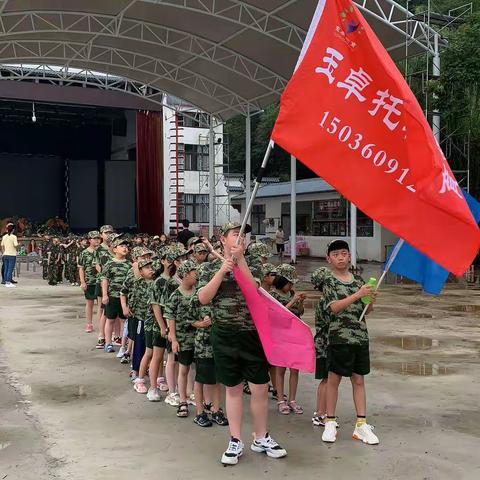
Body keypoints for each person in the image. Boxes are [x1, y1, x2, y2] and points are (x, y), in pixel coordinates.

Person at [197, 221, 287, 466]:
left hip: (252, 335)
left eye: (244, 236)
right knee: (233, 389)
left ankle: (262, 436)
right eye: (236, 235)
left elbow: (254, 288)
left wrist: (240, 262)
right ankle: (235, 439)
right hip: (224, 335)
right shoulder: (209, 267)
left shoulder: (255, 264)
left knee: (259, 388)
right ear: (223, 239)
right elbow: (203, 298)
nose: (240, 239)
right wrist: (222, 270)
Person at [320, 240, 379, 445]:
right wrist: (358, 294)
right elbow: (334, 308)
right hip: (338, 338)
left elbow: (366, 311)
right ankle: (329, 421)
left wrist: (370, 300)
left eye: (344, 253)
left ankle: (361, 425)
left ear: (350, 257)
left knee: (359, 380)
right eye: (335, 254)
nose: (341, 257)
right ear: (329, 259)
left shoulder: (358, 281)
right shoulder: (330, 282)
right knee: (333, 380)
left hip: (360, 336)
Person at [164, 260, 198, 418]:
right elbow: (170, 317)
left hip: (197, 337)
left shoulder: (198, 292)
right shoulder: (176, 294)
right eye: (193, 273)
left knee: (194, 368)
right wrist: (174, 339)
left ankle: (194, 396)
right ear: (185, 275)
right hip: (183, 338)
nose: (196, 275)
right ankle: (182, 400)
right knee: (183, 369)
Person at [270, 264, 305, 415]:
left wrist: (300, 301)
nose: (291, 286)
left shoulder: (292, 293)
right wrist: (292, 301)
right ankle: (280, 399)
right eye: (289, 283)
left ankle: (292, 399)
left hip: (294, 334)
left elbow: (299, 312)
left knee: (295, 368)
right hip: (280, 335)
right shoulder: (273, 295)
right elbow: (277, 314)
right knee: (280, 369)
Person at [100, 237, 131, 353]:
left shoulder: (129, 264)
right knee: (110, 320)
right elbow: (104, 279)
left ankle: (124, 344)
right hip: (112, 296)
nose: (125, 248)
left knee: (124, 321)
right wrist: (104, 295)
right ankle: (108, 343)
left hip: (125, 298)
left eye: (126, 246)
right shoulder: (109, 263)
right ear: (115, 249)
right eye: (122, 246)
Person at [311, 266, 331, 427]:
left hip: (324, 344)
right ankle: (320, 413)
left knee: (327, 379)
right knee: (327, 380)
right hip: (325, 345)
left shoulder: (325, 299)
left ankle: (321, 411)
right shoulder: (327, 301)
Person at [78, 231, 101, 333]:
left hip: (101, 281)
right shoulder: (84, 253)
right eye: (94, 238)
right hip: (90, 281)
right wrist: (82, 282)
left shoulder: (102, 252)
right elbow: (81, 268)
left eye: (98, 238)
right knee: (89, 303)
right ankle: (89, 323)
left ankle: (101, 324)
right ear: (89, 240)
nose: (97, 240)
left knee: (101, 305)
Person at [1, 223, 18, 287]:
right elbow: (15, 245)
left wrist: (3, 252)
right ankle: (8, 282)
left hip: (5, 254)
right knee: (10, 269)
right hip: (12, 255)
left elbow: (2, 245)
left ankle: (5, 281)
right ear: (13, 230)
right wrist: (18, 244)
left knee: (6, 269)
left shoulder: (4, 237)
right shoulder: (14, 237)